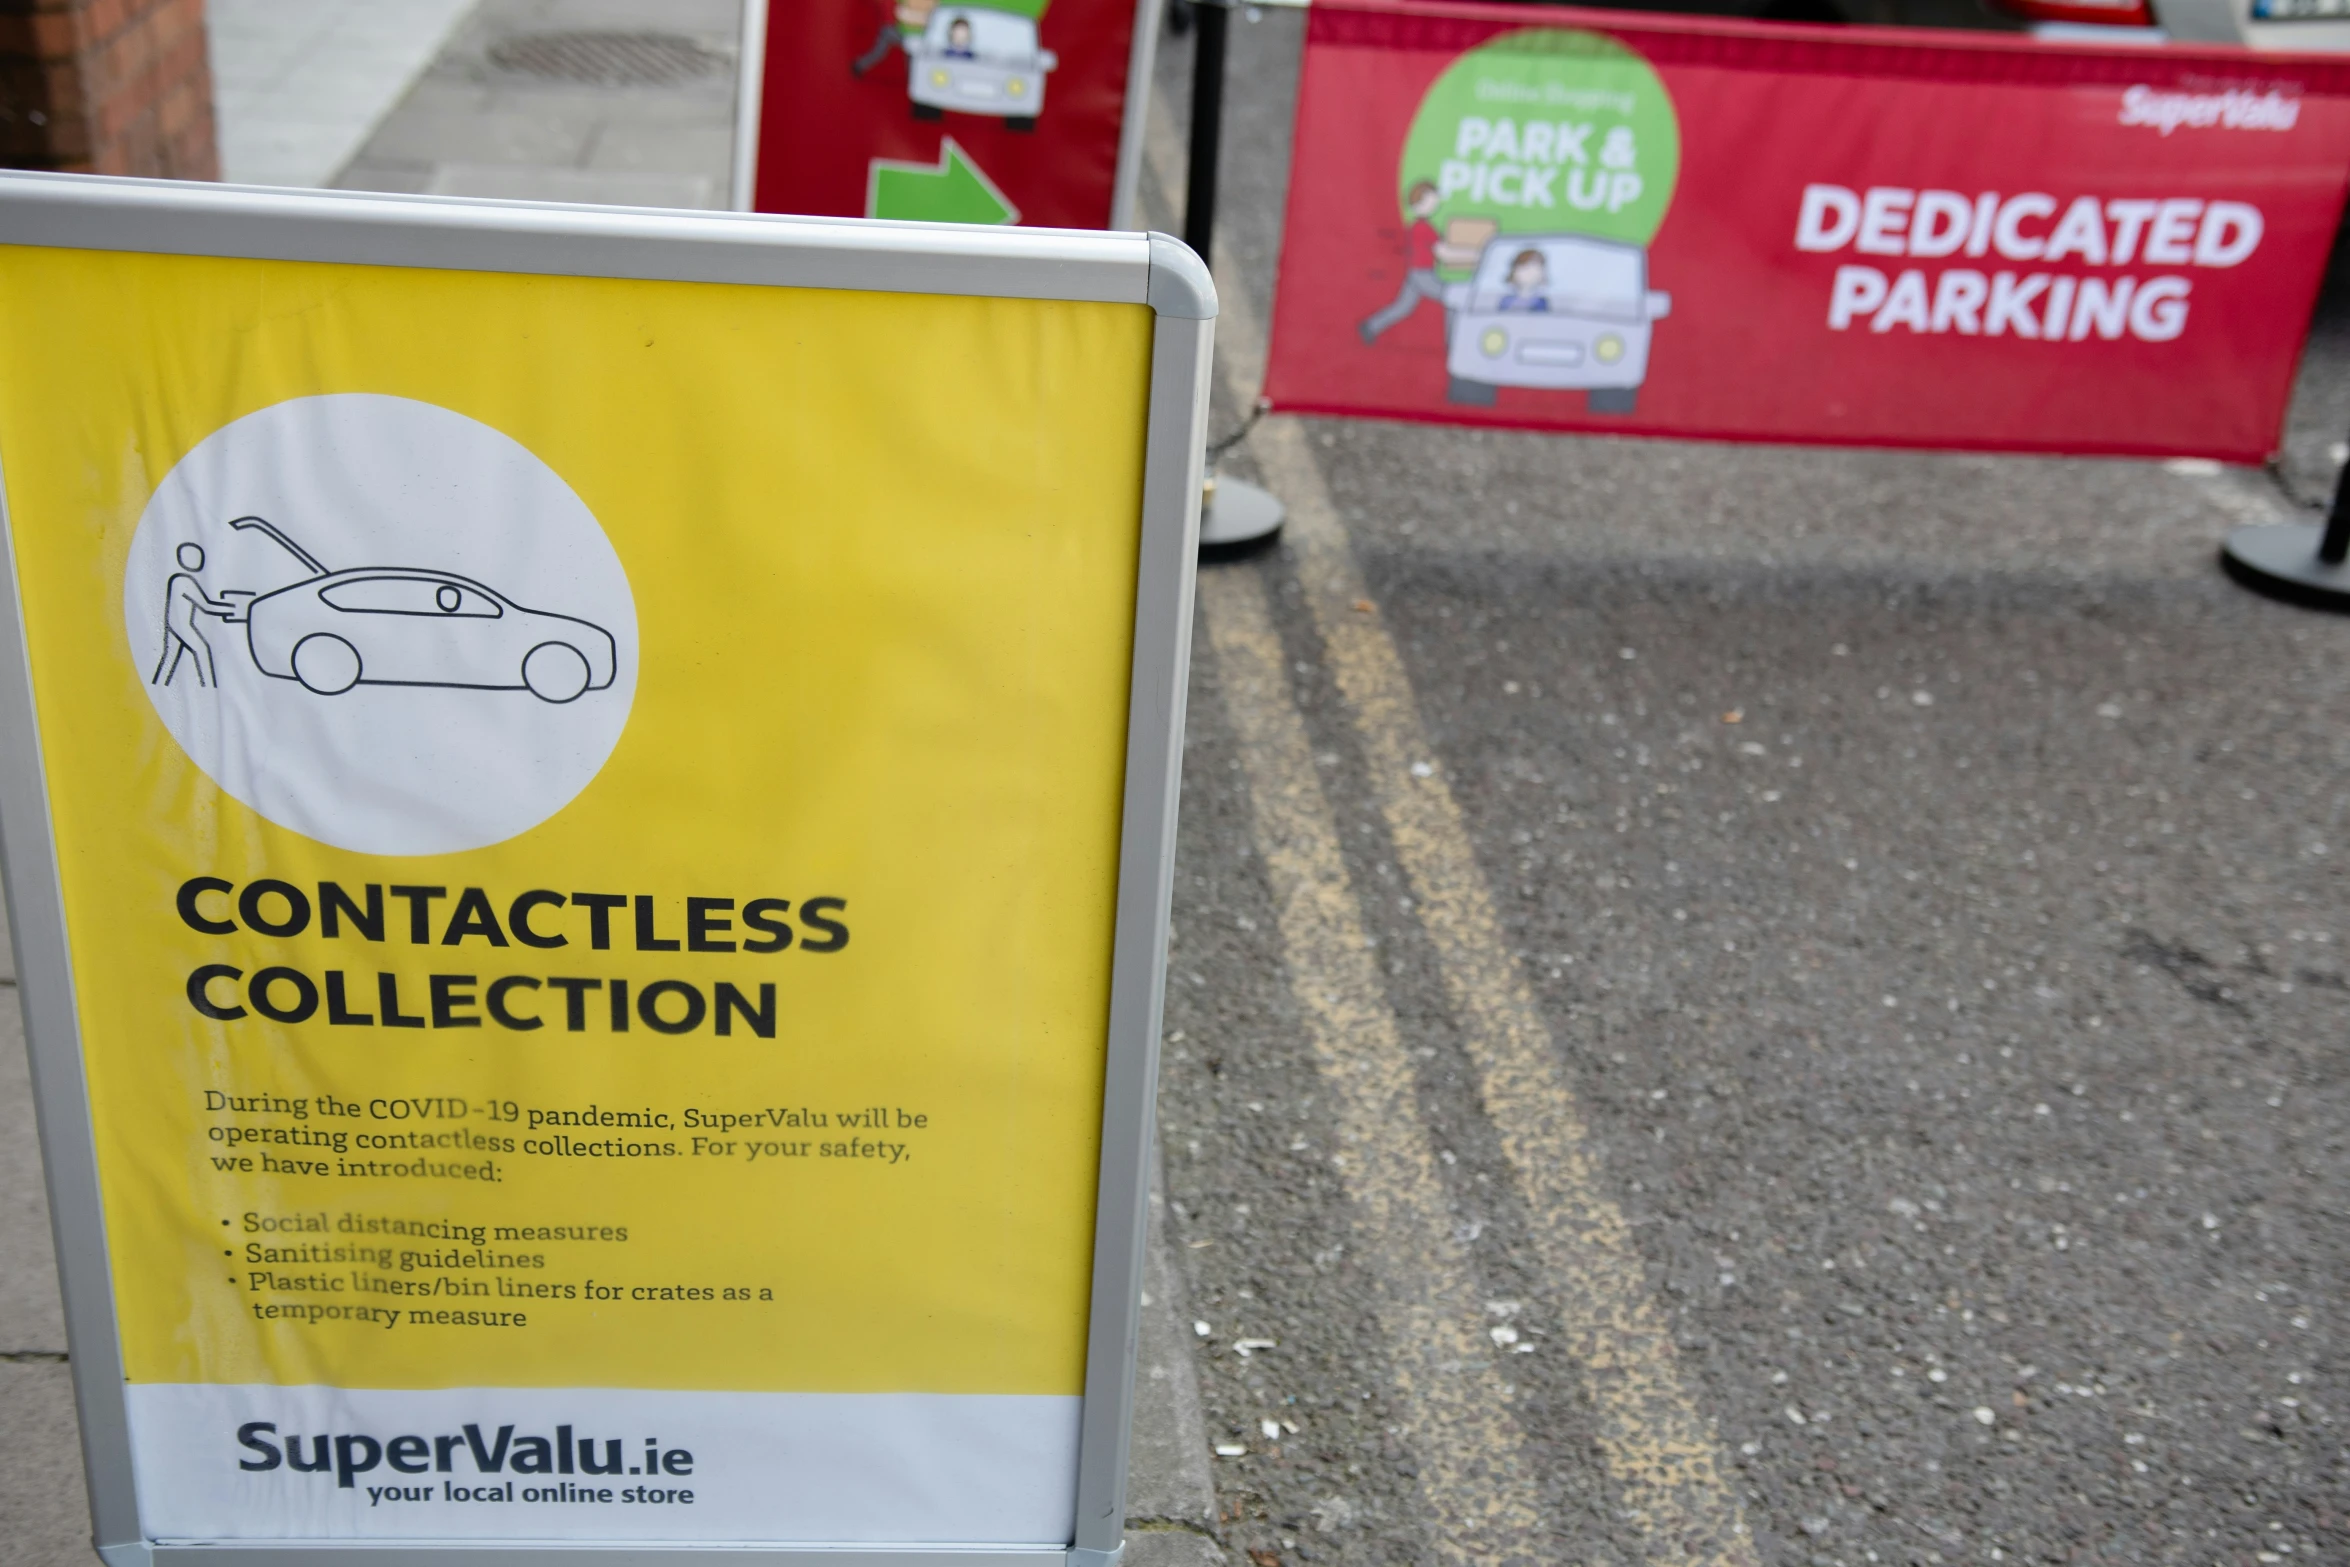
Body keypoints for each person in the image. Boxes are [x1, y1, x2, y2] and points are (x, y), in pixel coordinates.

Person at [1359, 180, 1447, 344]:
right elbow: (1441, 252)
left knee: (1402, 307)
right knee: (1451, 297)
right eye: (1432, 201)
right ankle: (1454, 343)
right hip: (1422, 274)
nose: (1435, 204)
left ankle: (1370, 326)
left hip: (1416, 272)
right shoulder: (1422, 228)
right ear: (1419, 203)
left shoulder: (1421, 226)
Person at [152, 541, 238, 689]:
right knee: (202, 650)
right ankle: (209, 686)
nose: (198, 561)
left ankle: (160, 685)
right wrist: (232, 609)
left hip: (173, 624)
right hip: (179, 625)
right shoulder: (184, 580)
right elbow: (205, 605)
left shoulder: (181, 579)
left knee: (169, 657)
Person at [853, 0, 936, 76]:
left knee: (912, 54)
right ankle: (860, 66)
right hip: (911, 33)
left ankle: (860, 66)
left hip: (918, 36)